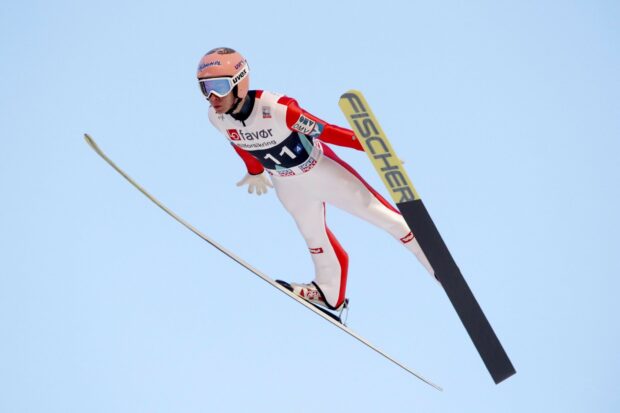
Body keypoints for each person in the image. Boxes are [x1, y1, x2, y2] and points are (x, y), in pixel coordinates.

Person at [198, 47, 434, 313]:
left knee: (383, 217)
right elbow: (239, 143)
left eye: (218, 86)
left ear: (240, 82)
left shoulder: (277, 108)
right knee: (313, 236)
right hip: (286, 184)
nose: (212, 97)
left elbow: (325, 131)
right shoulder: (216, 118)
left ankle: (435, 264)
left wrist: (369, 145)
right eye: (205, 88)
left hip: (319, 171)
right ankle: (329, 293)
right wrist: (254, 171)